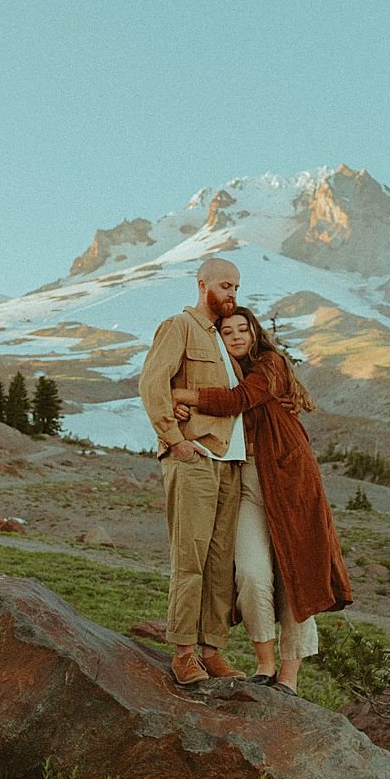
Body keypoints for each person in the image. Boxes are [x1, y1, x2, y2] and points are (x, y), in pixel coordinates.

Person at [172, 306, 351, 695]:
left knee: (296, 575)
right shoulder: (221, 368)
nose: (236, 336)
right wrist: (182, 407)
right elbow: (223, 402)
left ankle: (288, 676)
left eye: (243, 329)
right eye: (228, 330)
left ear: (255, 335)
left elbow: (238, 400)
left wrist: (178, 393)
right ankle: (264, 663)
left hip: (289, 475)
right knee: (251, 573)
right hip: (246, 477)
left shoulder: (269, 363)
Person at [138, 257, 248, 686]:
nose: (232, 293)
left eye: (236, 286)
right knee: (191, 559)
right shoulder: (178, 327)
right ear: (202, 285)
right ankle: (184, 653)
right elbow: (152, 383)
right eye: (225, 285)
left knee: (221, 564)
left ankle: (212, 651)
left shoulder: (224, 338)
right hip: (196, 459)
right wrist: (173, 437)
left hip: (231, 465)